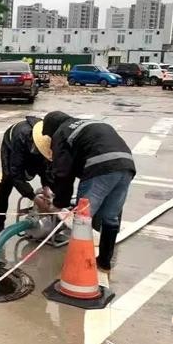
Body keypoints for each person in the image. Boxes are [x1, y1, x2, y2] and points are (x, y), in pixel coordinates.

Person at [39, 111, 136, 274]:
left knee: (82, 218)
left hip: (100, 166)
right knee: (110, 217)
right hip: (126, 165)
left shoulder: (61, 132)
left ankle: (78, 265)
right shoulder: (84, 124)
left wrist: (58, 204)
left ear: (51, 128)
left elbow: (63, 174)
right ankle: (104, 262)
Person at [0, 116, 54, 237]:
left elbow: (45, 168)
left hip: (32, 147)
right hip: (11, 145)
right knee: (8, 180)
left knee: (42, 167)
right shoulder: (21, 138)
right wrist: (33, 197)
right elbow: (16, 172)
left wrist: (47, 187)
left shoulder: (48, 141)